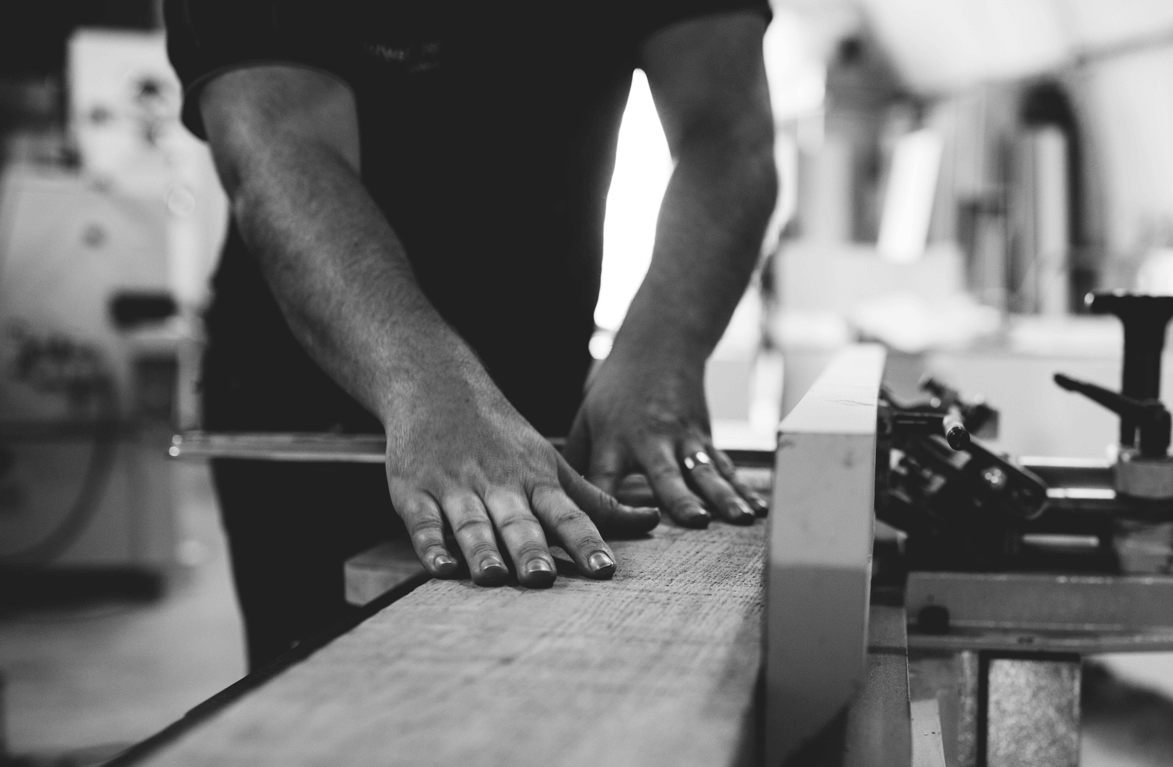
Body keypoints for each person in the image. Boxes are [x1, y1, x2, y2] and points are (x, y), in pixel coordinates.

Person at [164, 1, 777, 670]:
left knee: (542, 671)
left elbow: (726, 127)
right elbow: (279, 143)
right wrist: (425, 384)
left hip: (538, 389)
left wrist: (663, 350)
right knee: (323, 686)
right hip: (309, 385)